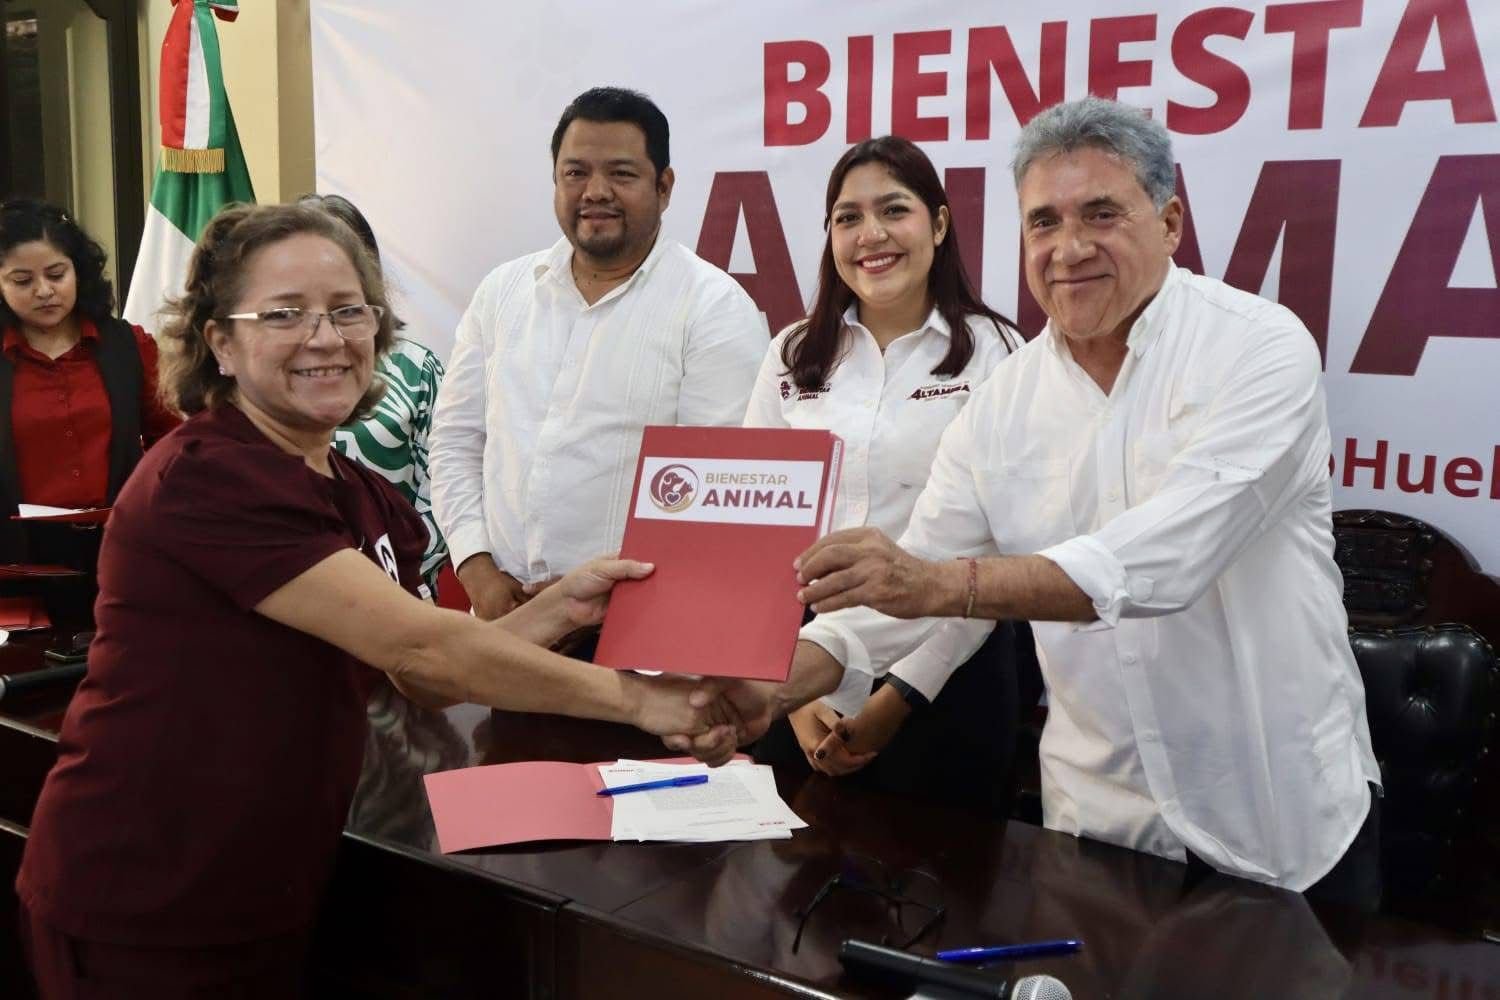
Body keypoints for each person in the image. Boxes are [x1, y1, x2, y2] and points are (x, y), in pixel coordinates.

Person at [15, 203, 740, 997]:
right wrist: (642, 701)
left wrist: (566, 606)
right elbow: (424, 647)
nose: (326, 338)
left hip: (259, 886)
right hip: (144, 895)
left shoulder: (359, 491)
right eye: (284, 314)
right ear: (220, 342)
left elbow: (419, 676)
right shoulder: (207, 477)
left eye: (347, 310)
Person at [676, 97, 1382, 909]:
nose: (1069, 248)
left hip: (1278, 821)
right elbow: (902, 586)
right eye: (1044, 221)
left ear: (1170, 222)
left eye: (1101, 214)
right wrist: (772, 689)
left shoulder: (1259, 348)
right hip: (1098, 828)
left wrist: (937, 585)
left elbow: (1163, 560)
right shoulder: (1006, 399)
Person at [743, 135, 1037, 817]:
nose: (870, 235)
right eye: (848, 217)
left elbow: (995, 551)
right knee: (783, 872)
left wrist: (902, 694)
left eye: (894, 210)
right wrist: (794, 692)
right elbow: (757, 534)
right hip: (798, 672)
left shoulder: (999, 355)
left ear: (938, 224)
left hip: (951, 673)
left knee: (944, 875)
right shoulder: (791, 353)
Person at [429, 86, 767, 627]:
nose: (596, 192)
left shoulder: (714, 308)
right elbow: (455, 441)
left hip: (637, 630)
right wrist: (476, 568)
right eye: (576, 173)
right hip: (501, 617)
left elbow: (715, 493)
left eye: (621, 174)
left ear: (664, 187)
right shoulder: (502, 292)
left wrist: (597, 602)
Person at [0, 200, 179, 620]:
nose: (44, 291)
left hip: (123, 545)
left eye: (56, 274)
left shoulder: (127, 345)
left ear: (79, 271)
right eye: (22, 280)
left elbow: (172, 438)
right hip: (18, 555)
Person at [300, 193, 449, 595]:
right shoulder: (277, 373)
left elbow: (445, 488)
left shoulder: (418, 369)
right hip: (297, 589)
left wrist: (389, 577)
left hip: (401, 590)